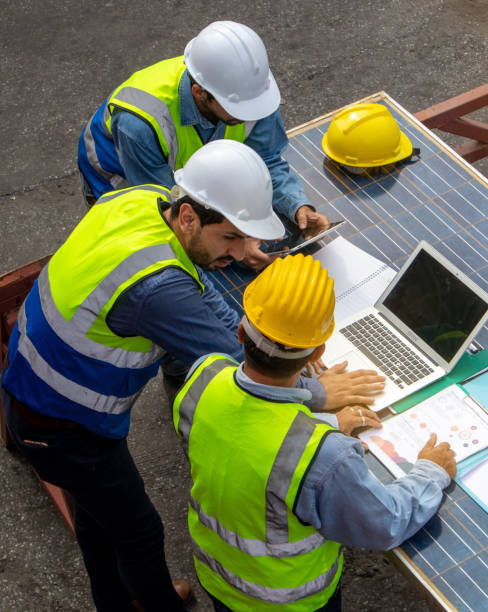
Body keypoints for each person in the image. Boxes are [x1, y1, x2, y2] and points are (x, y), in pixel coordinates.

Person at [1, 141, 384, 611]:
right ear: (188, 217)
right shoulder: (156, 289)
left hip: (35, 384)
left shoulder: (141, 200)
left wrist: (270, 331)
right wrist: (317, 393)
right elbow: (246, 365)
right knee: (138, 531)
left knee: (101, 520)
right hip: (63, 426)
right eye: (231, 238)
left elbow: (202, 296)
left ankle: (120, 602)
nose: (244, 251)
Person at [172, 254, 457, 611]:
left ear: (241, 331)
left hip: (217, 576)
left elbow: (244, 441)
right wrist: (432, 472)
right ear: (318, 352)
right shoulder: (325, 457)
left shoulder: (202, 377)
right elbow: (387, 523)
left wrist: (327, 422)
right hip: (288, 602)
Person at [78, 20, 329, 270]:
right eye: (238, 110)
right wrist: (240, 249)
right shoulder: (140, 124)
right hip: (120, 177)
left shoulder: (249, 92)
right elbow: (172, 213)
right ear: (199, 92)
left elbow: (266, 161)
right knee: (160, 251)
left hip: (190, 172)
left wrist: (297, 205)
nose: (250, 115)